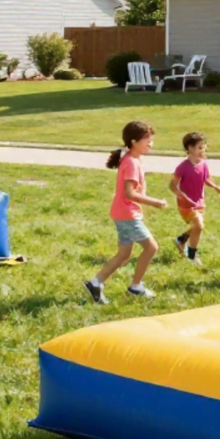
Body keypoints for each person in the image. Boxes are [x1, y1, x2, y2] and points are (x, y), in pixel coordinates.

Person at [84, 120, 167, 303]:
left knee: (124, 254)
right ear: (134, 142)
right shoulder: (131, 162)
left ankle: (95, 283)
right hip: (127, 214)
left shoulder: (133, 159)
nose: (151, 144)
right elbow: (129, 193)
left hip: (123, 213)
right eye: (147, 140)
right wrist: (154, 202)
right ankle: (136, 286)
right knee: (151, 247)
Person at [168, 132, 220, 266]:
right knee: (199, 226)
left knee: (196, 227)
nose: (203, 150)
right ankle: (192, 256)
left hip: (200, 202)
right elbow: (172, 185)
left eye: (204, 147)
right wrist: (181, 196)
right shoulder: (183, 167)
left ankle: (181, 240)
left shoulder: (203, 164)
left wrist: (216, 187)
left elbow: (205, 178)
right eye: (199, 148)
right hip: (186, 205)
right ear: (190, 148)